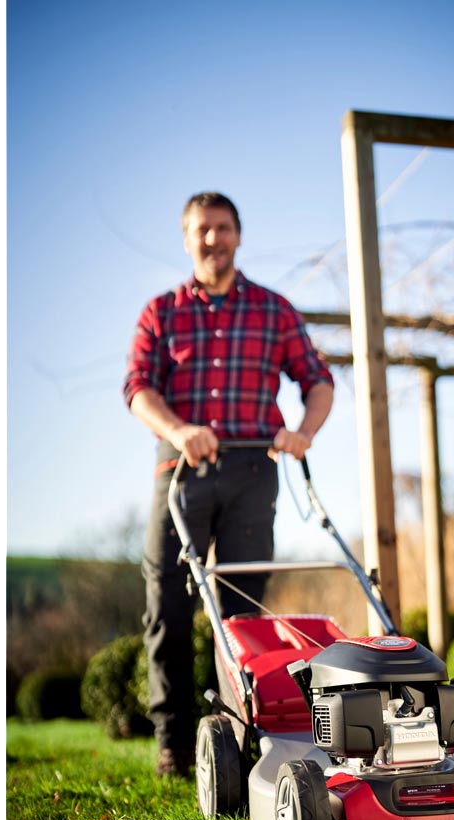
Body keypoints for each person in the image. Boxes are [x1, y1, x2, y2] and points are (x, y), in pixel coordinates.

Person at [123, 192, 334, 777]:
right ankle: (172, 742)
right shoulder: (161, 312)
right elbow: (138, 387)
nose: (212, 240)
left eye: (222, 229)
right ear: (187, 239)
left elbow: (317, 380)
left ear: (238, 235)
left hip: (251, 471)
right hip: (181, 471)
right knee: (166, 601)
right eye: (201, 231)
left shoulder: (273, 310)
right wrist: (179, 429)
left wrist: (302, 433)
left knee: (241, 613)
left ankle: (241, 733)